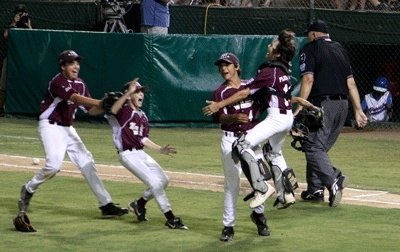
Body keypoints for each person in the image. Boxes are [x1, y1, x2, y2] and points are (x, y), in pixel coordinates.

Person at [203, 30, 319, 212]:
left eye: (272, 45)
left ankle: (262, 189)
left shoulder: (270, 70)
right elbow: (278, 95)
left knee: (241, 146)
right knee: (272, 152)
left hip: (276, 118)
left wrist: (219, 105)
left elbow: (244, 92)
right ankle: (285, 193)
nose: (268, 46)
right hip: (285, 116)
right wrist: (297, 100)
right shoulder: (283, 70)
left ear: (278, 53)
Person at [17, 50, 129, 224]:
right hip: (50, 127)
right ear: (63, 67)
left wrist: (106, 106)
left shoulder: (80, 83)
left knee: (87, 163)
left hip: (68, 129)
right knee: (54, 166)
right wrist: (103, 100)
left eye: (77, 63)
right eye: (71, 63)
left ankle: (105, 204)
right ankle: (29, 188)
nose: (76, 66)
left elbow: (91, 110)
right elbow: (76, 98)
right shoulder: (58, 82)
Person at [296, 20, 368, 206]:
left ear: (313, 34)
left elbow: (308, 79)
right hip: (342, 105)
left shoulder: (310, 48)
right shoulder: (340, 49)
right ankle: (315, 190)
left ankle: (333, 178)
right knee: (319, 148)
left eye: (308, 34)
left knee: (312, 147)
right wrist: (358, 110)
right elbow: (350, 83)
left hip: (323, 104)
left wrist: (300, 106)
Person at [105, 79, 188, 230]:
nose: (141, 94)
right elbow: (113, 110)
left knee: (163, 180)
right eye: (137, 91)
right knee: (155, 183)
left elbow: (143, 139)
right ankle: (170, 218)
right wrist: (128, 93)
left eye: (141, 91)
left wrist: (159, 149)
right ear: (129, 95)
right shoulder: (124, 111)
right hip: (127, 155)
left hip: (140, 153)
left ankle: (139, 204)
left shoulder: (142, 116)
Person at [209, 52, 273, 241]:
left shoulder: (250, 86)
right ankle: (228, 226)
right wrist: (233, 118)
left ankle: (259, 216)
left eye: (227, 64)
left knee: (259, 180)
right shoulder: (220, 93)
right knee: (232, 184)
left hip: (251, 139)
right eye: (221, 66)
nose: (223, 68)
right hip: (230, 140)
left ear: (236, 67)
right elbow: (218, 117)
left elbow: (265, 101)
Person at [0, 4, 33, 117]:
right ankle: (0, 108)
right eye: (17, 13)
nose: (19, 15)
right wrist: (14, 22)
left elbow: (32, 37)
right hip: (11, 57)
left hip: (24, 59)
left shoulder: (27, 23)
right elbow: (6, 35)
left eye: (21, 13)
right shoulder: (11, 24)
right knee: (3, 84)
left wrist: (28, 24)